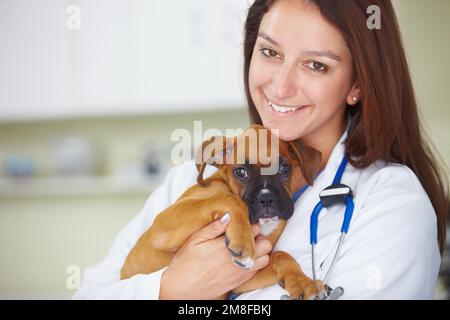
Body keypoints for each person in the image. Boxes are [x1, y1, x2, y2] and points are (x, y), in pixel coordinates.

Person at [73, 0, 448, 300]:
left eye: (316, 65)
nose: (281, 87)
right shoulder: (193, 183)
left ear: (357, 85)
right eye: (270, 52)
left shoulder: (393, 204)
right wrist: (169, 290)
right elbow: (89, 294)